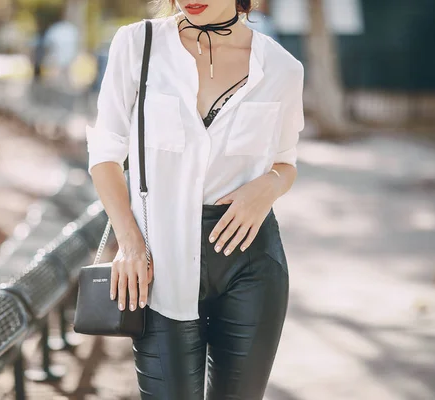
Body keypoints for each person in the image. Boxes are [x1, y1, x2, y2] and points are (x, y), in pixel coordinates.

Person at [86, 0, 304, 398]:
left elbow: (285, 163)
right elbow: (104, 154)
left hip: (251, 262)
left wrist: (268, 187)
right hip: (159, 263)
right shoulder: (139, 44)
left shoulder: (283, 69)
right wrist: (130, 243)